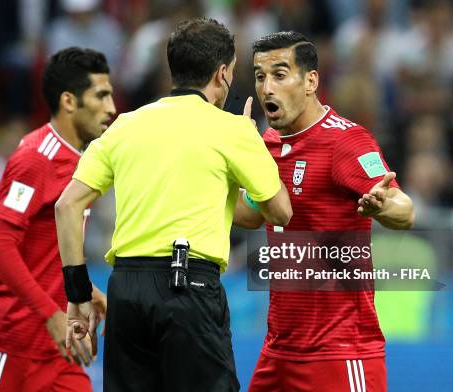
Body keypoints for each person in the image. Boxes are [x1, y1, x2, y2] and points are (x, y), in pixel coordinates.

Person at [55, 18, 292, 392]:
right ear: (222, 73)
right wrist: (252, 150)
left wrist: (77, 294)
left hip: (127, 290)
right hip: (190, 289)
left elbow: (67, 206)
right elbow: (279, 212)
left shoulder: (125, 125)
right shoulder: (233, 131)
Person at [235, 32, 414, 392]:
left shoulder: (345, 141)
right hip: (279, 350)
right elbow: (253, 214)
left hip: (341, 351)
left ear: (310, 81)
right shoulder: (266, 145)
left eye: (280, 75)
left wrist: (383, 206)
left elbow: (404, 210)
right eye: (260, 76)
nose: (267, 88)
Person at [0, 47, 116, 392]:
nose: (112, 108)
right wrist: (51, 315)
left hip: (55, 351)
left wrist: (88, 293)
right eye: (101, 95)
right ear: (69, 102)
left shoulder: (81, 163)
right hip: (7, 342)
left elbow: (43, 257)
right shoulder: (36, 157)